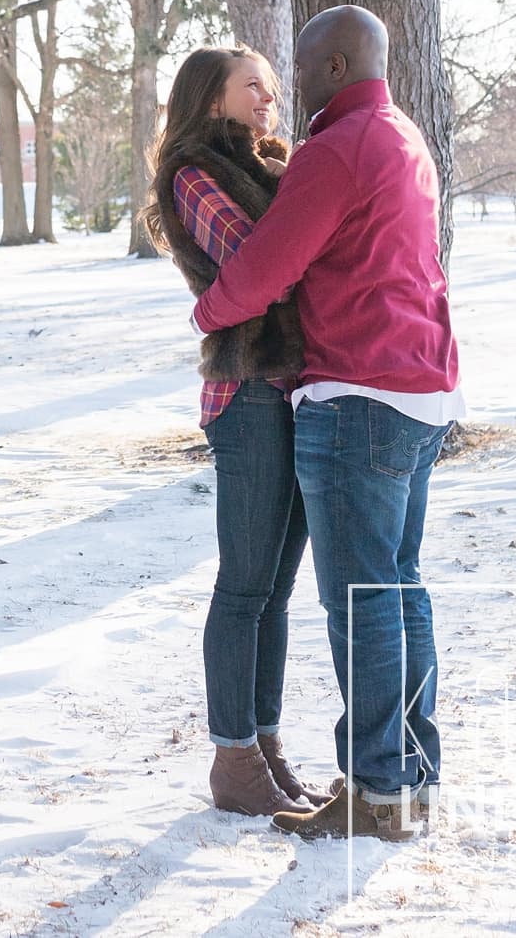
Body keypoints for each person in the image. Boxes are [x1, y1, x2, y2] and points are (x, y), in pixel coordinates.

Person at [192, 6, 464, 841]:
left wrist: (210, 313)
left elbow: (268, 265)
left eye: (304, 69)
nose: (293, 86)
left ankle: (375, 789)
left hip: (356, 394)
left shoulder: (335, 149)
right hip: (422, 389)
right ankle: (412, 778)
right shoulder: (405, 138)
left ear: (337, 66)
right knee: (399, 588)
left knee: (362, 601)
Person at [144, 47, 331, 817]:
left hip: (291, 388)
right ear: (211, 96)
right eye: (251, 83)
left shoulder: (273, 165)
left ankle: (265, 744)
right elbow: (262, 263)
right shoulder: (195, 171)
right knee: (244, 585)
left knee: (277, 591)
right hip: (247, 392)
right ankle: (232, 757)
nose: (269, 96)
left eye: (273, 86)